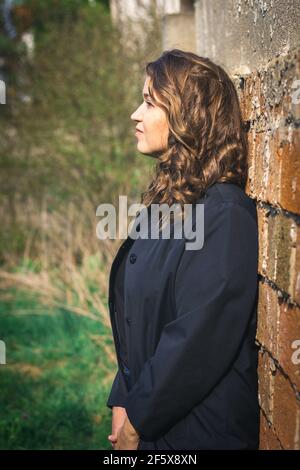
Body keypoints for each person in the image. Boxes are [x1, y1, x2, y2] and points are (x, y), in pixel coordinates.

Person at [106, 49, 260, 450]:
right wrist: (123, 396)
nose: (135, 114)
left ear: (188, 115)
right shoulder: (171, 204)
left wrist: (138, 419)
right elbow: (142, 317)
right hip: (157, 421)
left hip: (197, 434)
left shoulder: (223, 214)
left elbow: (195, 340)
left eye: (150, 102)